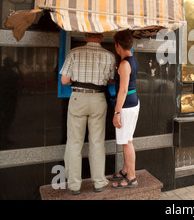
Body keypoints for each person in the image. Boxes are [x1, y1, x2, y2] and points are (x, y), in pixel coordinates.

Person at [60, 33, 116, 195]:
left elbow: (64, 80)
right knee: (97, 142)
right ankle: (99, 182)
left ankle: (74, 185)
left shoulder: (74, 53)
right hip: (98, 99)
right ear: (101, 37)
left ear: (85, 36)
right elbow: (112, 79)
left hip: (78, 97)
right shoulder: (109, 55)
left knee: (74, 142)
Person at [110, 29, 140, 189]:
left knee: (126, 142)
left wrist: (116, 112)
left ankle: (131, 177)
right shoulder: (133, 60)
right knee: (128, 138)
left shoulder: (123, 64)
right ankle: (125, 170)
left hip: (126, 106)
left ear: (117, 46)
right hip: (133, 102)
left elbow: (122, 90)